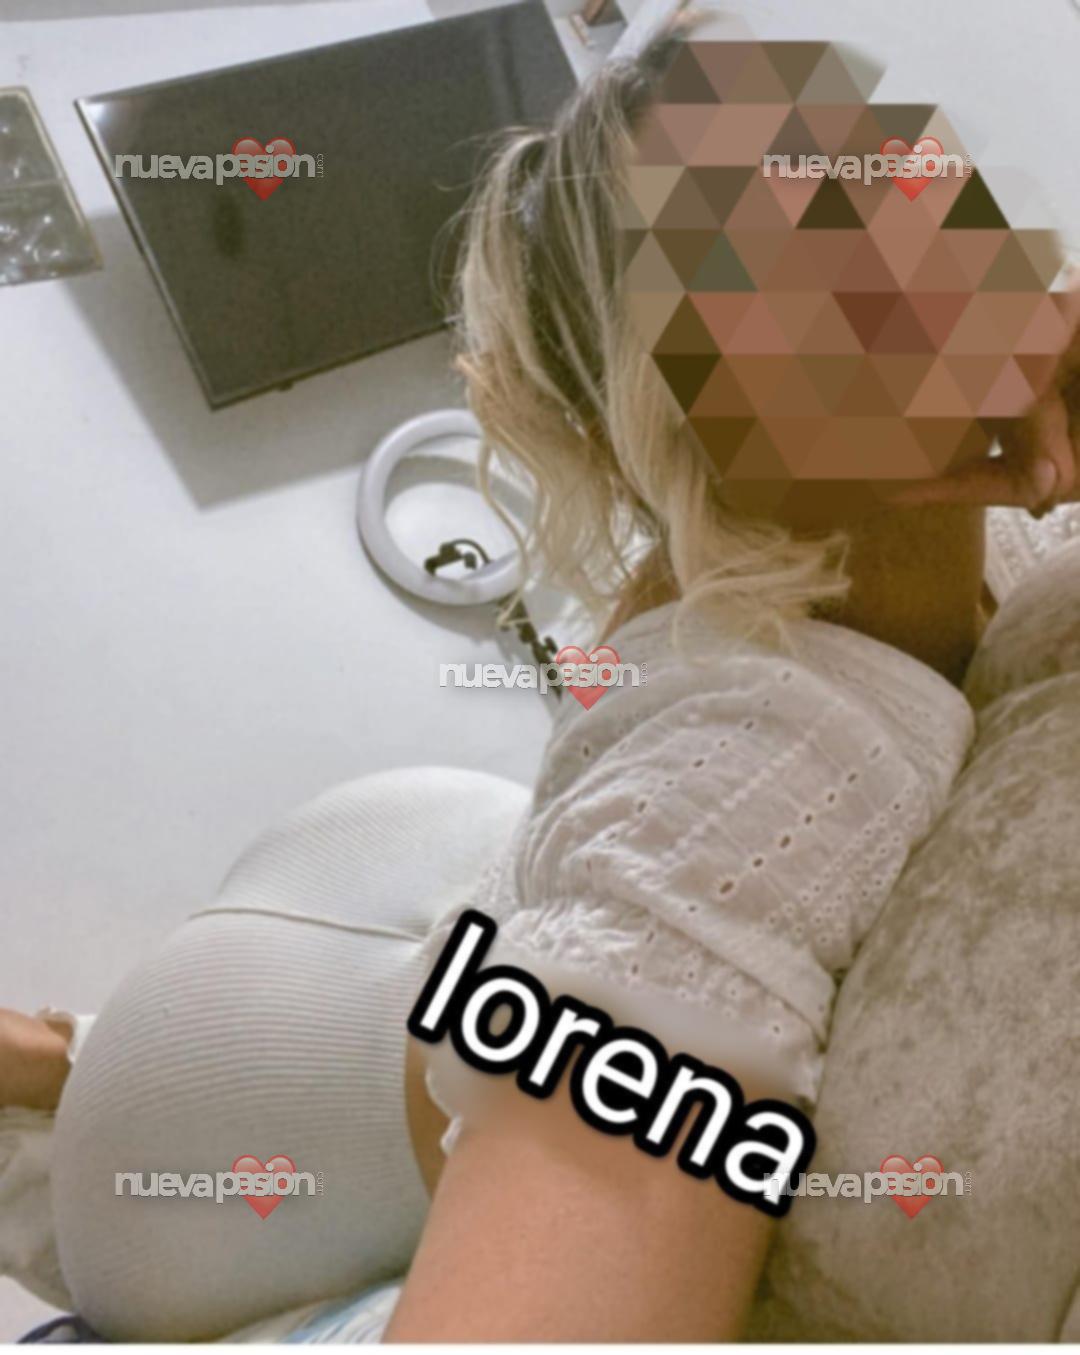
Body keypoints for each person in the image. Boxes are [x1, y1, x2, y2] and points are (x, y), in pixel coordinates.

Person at [2, 20, 1079, 1342]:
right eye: (793, 249)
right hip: (206, 1110)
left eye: (890, 165)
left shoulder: (1001, 533)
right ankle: (59, 1069)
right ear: (682, 416)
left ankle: (57, 1058)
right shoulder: (756, 768)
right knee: (46, 1124)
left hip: (420, 877)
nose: (909, 238)